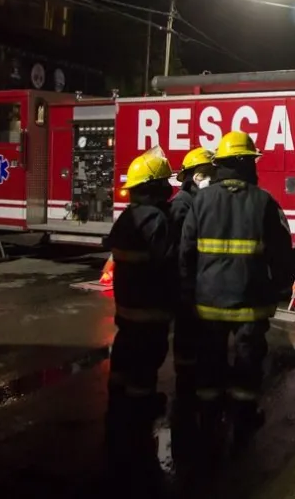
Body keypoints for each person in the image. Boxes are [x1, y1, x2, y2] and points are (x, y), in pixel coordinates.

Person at [179, 131, 292, 456]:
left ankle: (209, 420)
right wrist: (275, 290)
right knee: (247, 365)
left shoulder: (201, 201)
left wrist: (189, 292)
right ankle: (243, 421)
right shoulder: (264, 202)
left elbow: (186, 253)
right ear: (246, 164)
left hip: (208, 303)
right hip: (250, 304)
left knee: (210, 362)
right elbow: (282, 255)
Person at [104, 147, 178, 483]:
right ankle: (138, 413)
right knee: (145, 365)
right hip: (151, 311)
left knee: (123, 358)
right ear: (157, 186)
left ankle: (117, 406)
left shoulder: (125, 219)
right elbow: (167, 264)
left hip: (126, 310)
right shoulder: (160, 221)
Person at [169, 147, 214, 402]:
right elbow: (179, 250)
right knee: (186, 336)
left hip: (196, 284)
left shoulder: (194, 202)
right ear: (193, 177)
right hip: (186, 285)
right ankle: (185, 389)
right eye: (206, 173)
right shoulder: (182, 205)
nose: (211, 179)